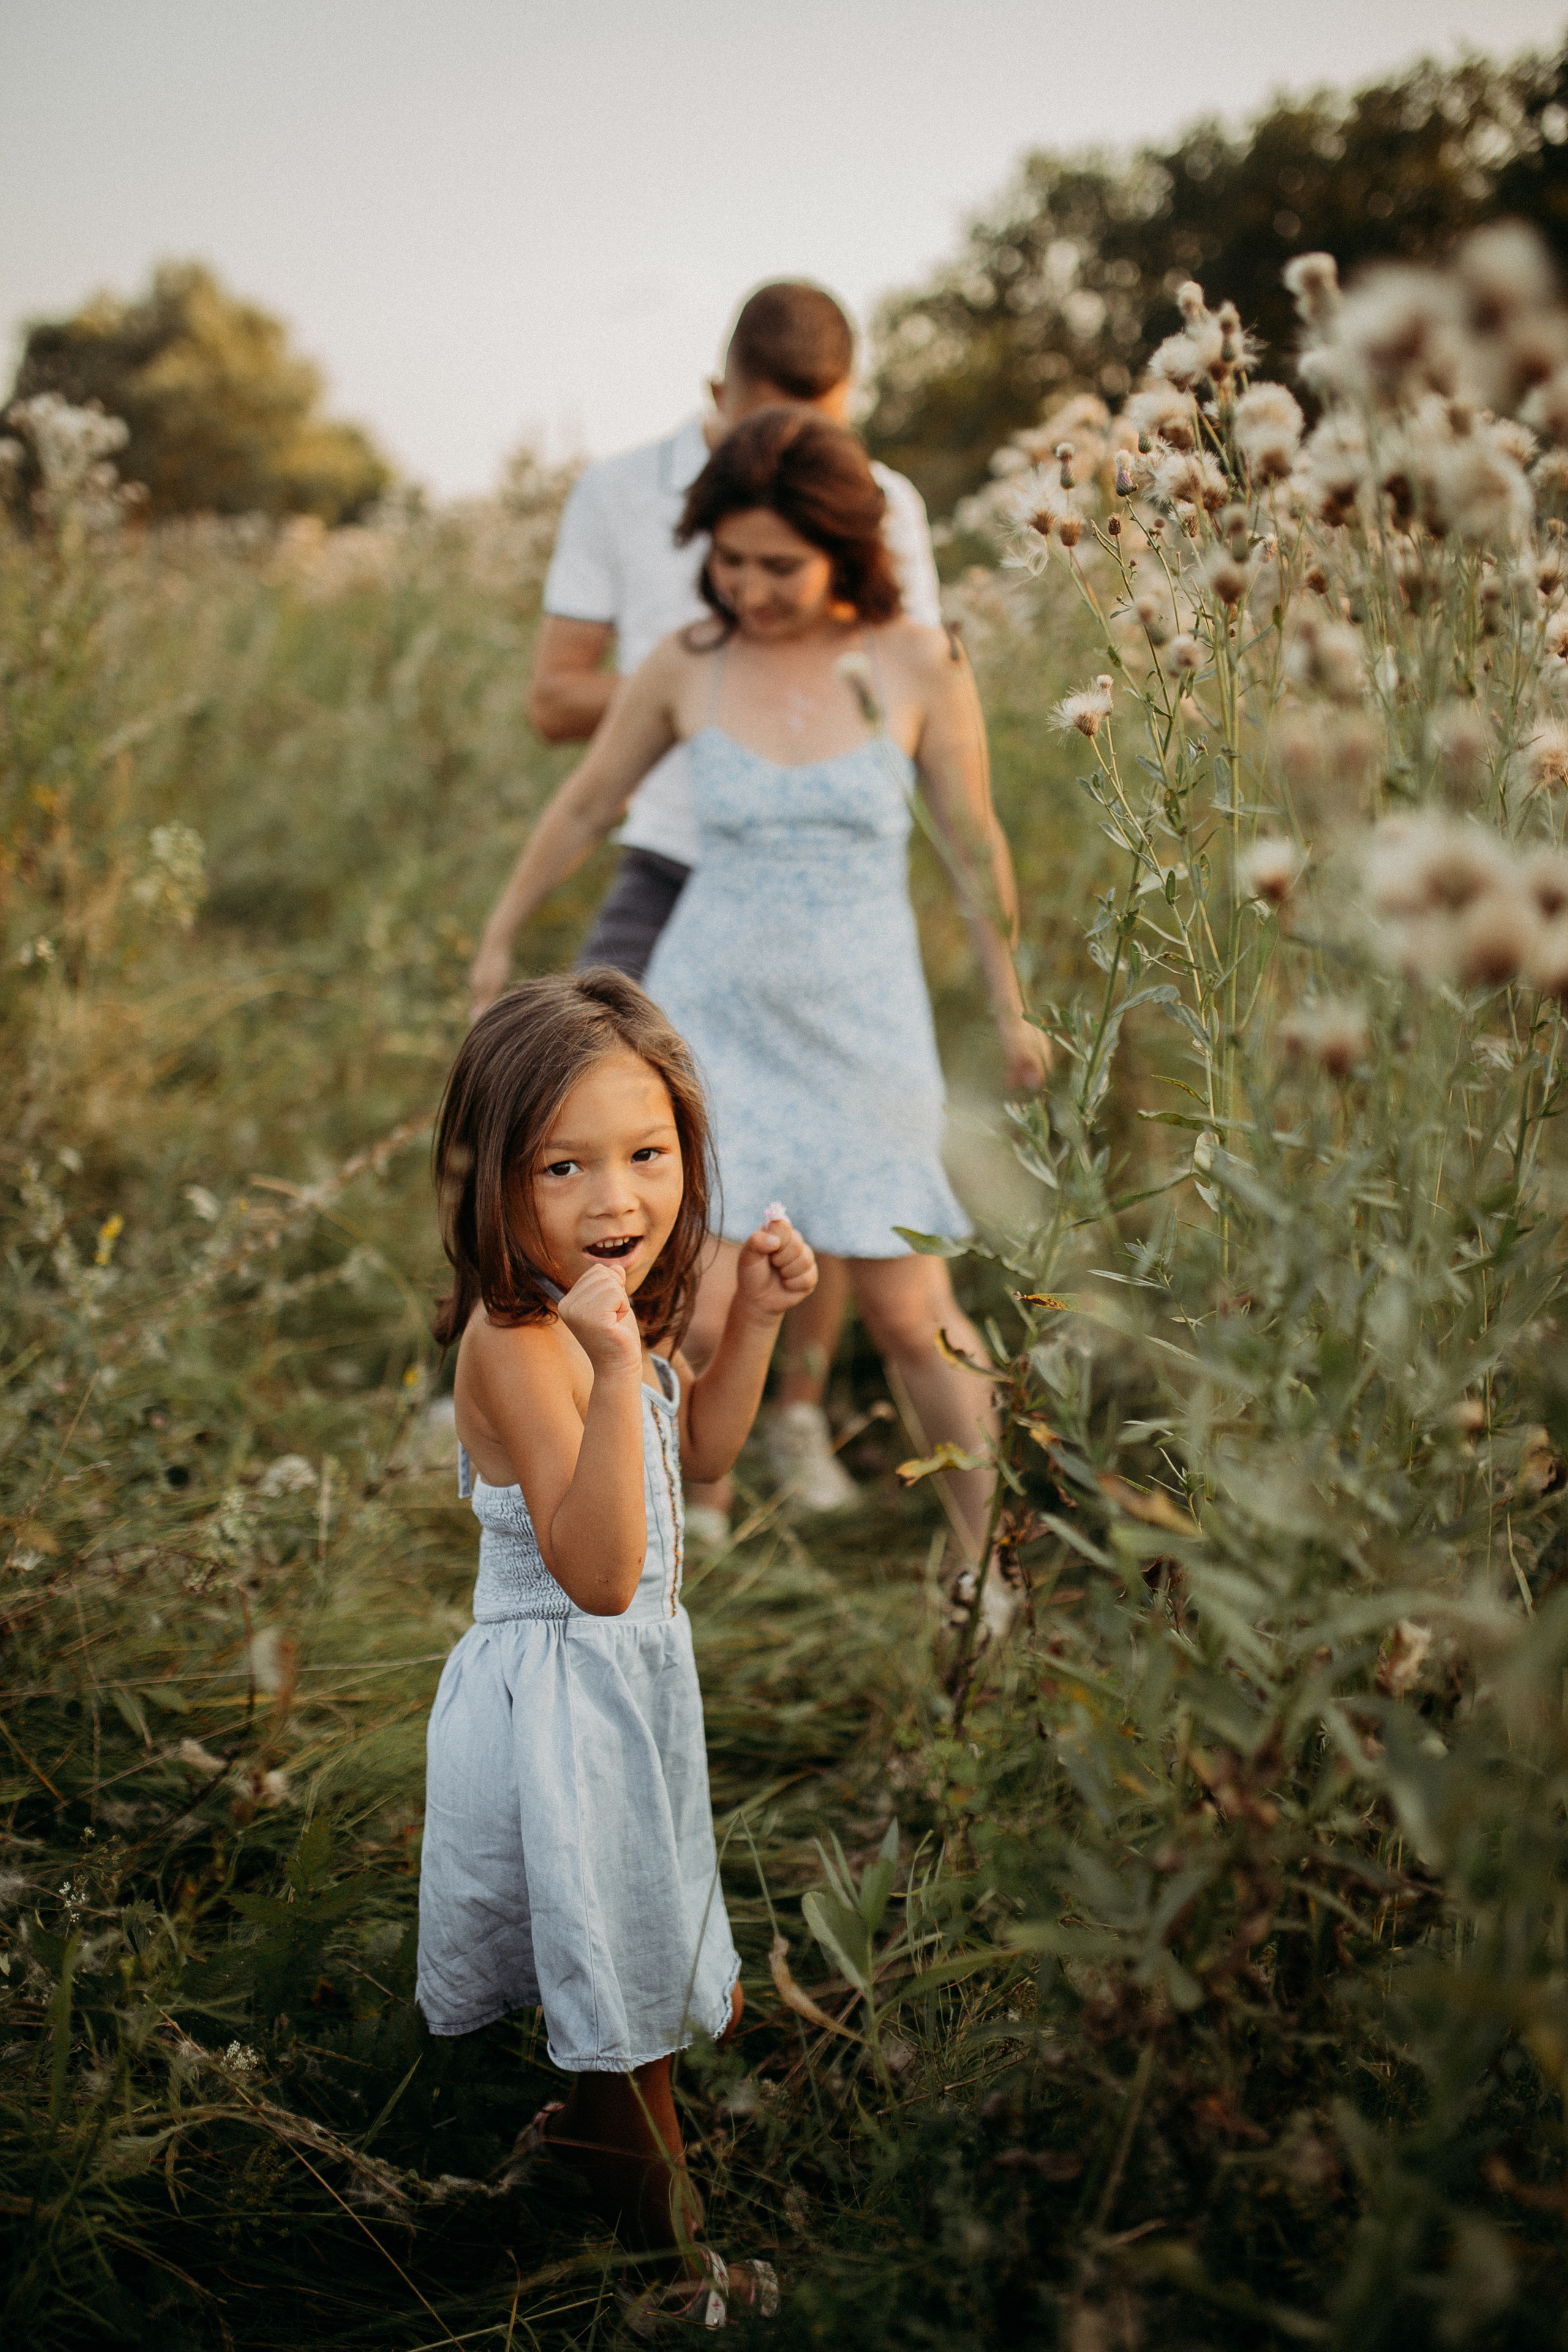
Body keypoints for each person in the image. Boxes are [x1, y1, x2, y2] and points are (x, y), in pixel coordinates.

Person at [467, 410, 1049, 1564]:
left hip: (864, 1025)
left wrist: (1010, 1002)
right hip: (713, 1017)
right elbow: (587, 802)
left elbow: (974, 843)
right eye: (727, 560)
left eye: (777, 564)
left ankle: (990, 1569)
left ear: (846, 548)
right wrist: (499, 941)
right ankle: (657, 1545)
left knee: (910, 1311)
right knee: (699, 1300)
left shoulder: (917, 660)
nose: (749, 587)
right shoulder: (691, 661)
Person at [417, 970, 808, 2309]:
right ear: (495, 1187)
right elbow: (596, 1572)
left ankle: (583, 2148)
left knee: (626, 1960)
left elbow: (694, 1454)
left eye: (646, 1157)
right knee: (631, 2008)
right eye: (562, 1168)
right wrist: (602, 1369)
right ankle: (664, 2273)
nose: (613, 1204)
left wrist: (747, 1319)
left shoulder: (608, 1314)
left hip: (628, 1699)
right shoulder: (525, 1343)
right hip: (566, 1707)